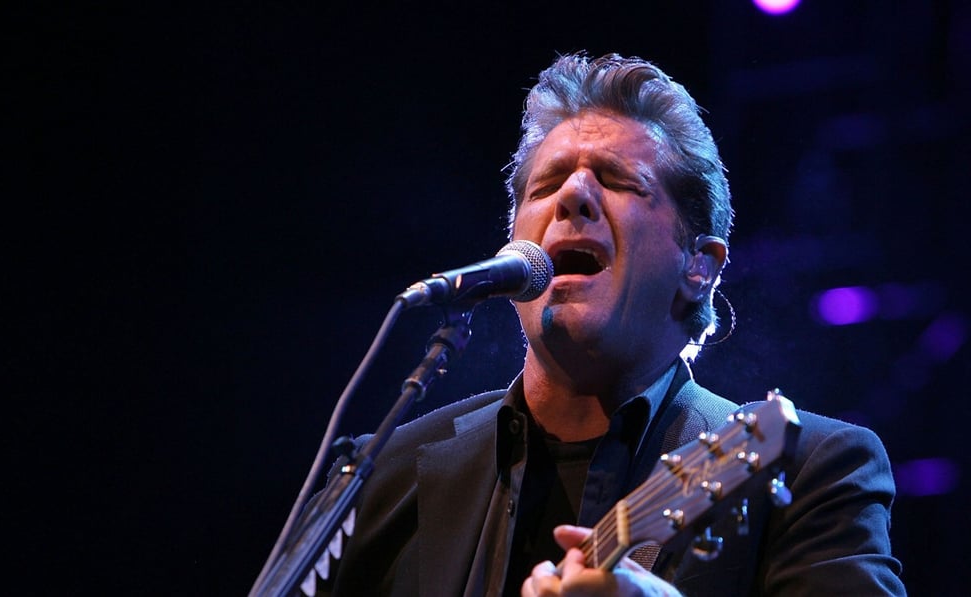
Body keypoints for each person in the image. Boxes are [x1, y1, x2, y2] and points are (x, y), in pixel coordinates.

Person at [309, 52, 906, 596]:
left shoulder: (811, 470)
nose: (573, 195)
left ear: (699, 267)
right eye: (546, 184)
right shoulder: (381, 475)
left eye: (619, 181)